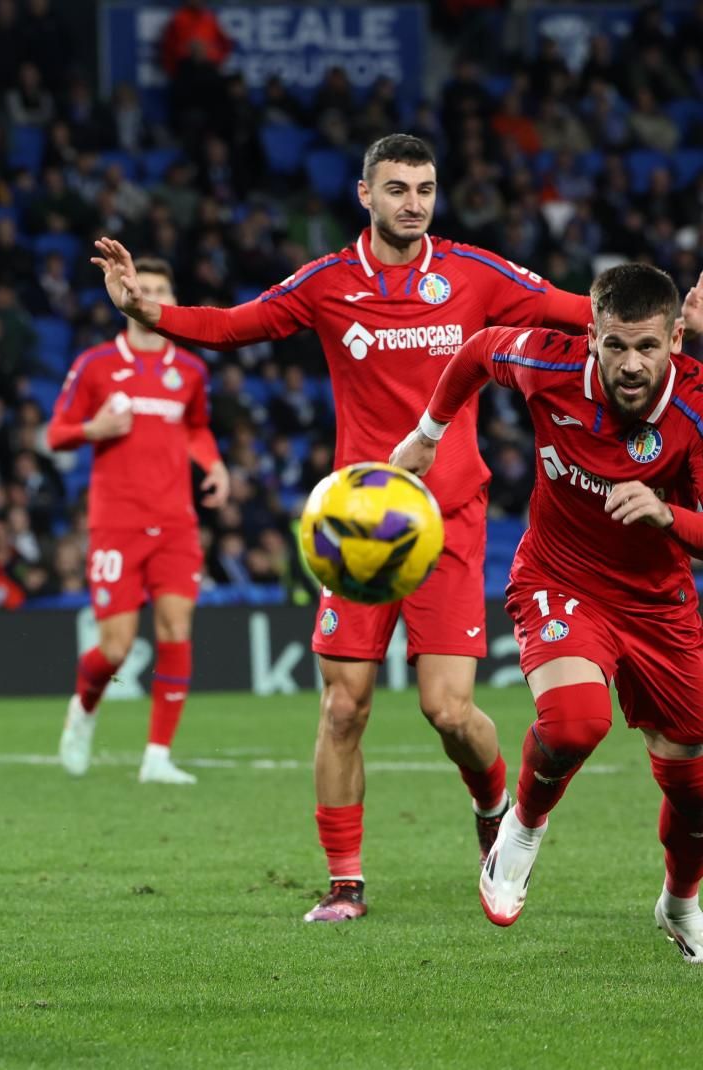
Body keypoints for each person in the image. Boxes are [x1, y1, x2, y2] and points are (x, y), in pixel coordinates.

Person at [88, 133, 682, 922]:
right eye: (398, 189)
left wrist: (679, 323)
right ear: (365, 195)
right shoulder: (328, 281)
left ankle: (492, 803)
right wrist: (145, 308)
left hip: (451, 519)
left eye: (426, 189)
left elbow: (587, 317)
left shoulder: (475, 272)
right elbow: (237, 325)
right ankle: (344, 883)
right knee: (343, 707)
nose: (414, 203)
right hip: (360, 522)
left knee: (449, 711)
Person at [389, 264, 703, 958]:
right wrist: (429, 431)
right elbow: (474, 352)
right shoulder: (545, 363)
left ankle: (680, 902)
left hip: (659, 607)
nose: (630, 364)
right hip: (560, 580)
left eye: (648, 348)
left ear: (675, 340)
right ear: (589, 335)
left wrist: (668, 515)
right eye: (614, 345)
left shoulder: (694, 412)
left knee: (696, 789)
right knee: (574, 722)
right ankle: (521, 830)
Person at [48, 256, 229, 785]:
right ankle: (83, 711)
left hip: (175, 522)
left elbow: (196, 427)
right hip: (116, 524)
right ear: (120, 293)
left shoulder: (191, 370)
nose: (147, 293)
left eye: (158, 288)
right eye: (138, 285)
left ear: (171, 301)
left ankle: (157, 756)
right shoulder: (96, 364)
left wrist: (214, 465)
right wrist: (94, 427)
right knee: (116, 648)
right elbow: (56, 434)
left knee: (176, 629)